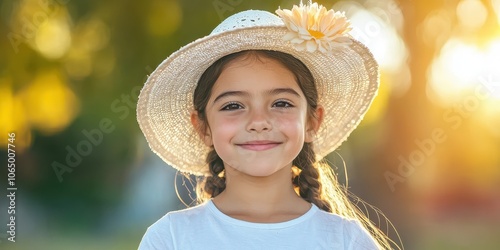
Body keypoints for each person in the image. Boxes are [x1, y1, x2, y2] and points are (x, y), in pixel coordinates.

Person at [136, 1, 398, 249]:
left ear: (311, 121)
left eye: (281, 103)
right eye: (233, 106)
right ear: (203, 127)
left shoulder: (345, 241)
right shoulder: (171, 238)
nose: (259, 122)